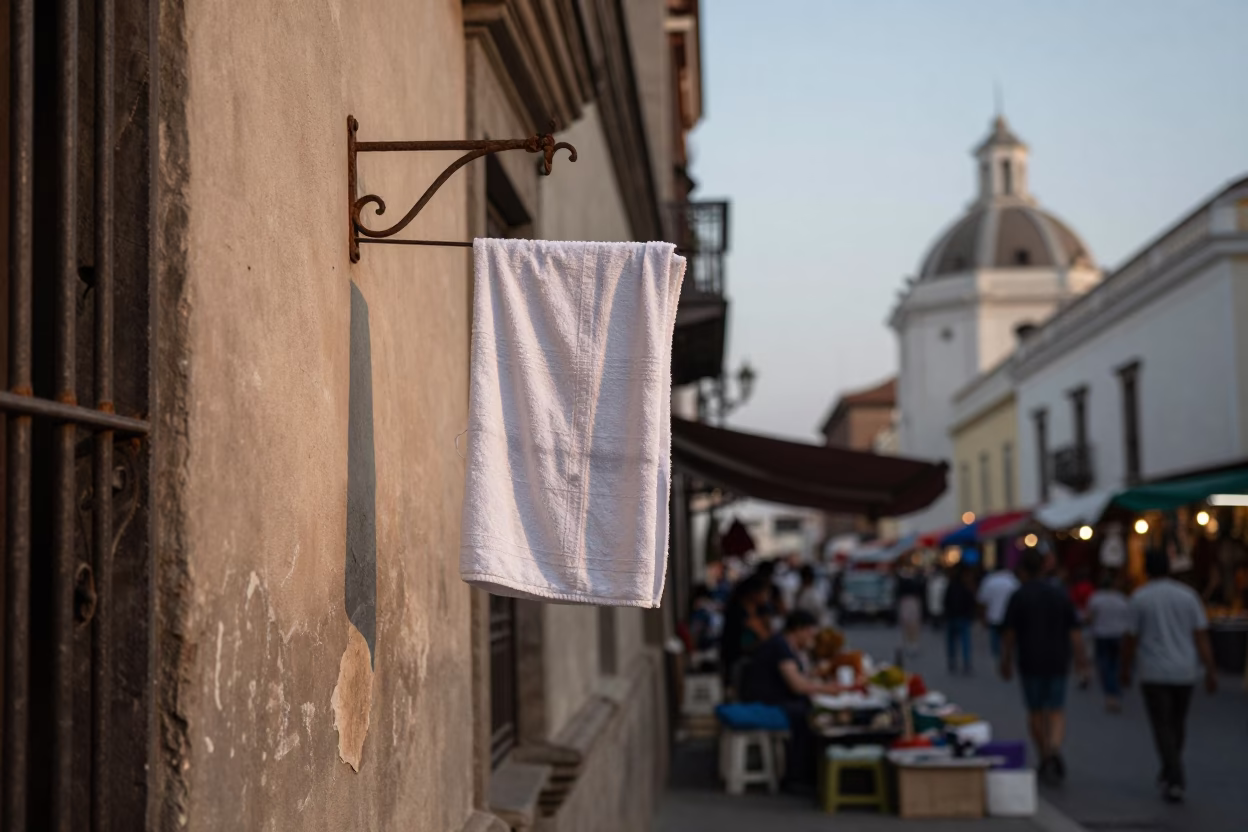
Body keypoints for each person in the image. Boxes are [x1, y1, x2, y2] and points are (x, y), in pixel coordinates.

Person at [1120, 548, 1218, 804]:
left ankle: (1174, 774)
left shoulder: (1140, 598)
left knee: (1163, 725)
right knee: (1177, 723)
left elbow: (1130, 638)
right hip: (1184, 670)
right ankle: (1171, 768)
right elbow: (1201, 635)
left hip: (1154, 671)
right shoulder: (1188, 596)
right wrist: (1210, 669)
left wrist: (1125, 668)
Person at [999, 549, 1089, 784]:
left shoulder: (1019, 595)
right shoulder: (1060, 594)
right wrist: (1082, 662)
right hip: (1059, 659)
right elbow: (1075, 632)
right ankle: (1054, 748)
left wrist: (1005, 659)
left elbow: (1009, 633)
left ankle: (1044, 754)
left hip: (1030, 659)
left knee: (1036, 710)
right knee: (1056, 709)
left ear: (1023, 571)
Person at [741, 610, 846, 785]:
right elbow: (797, 686)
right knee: (804, 716)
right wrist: (828, 689)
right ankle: (797, 777)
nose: (812, 637)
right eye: (810, 632)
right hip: (766, 701)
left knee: (807, 710)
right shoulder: (781, 646)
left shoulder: (785, 646)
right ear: (799, 630)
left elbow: (799, 676)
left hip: (771, 696)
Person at [1085, 572, 1131, 712]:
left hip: (1102, 634)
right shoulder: (1122, 599)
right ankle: (1114, 693)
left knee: (1104, 665)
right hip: (1118, 635)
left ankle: (1111, 694)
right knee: (1115, 664)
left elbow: (1090, 617)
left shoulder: (1096, 599)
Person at [719, 576, 773, 691]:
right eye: (764, 592)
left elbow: (768, 634)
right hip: (738, 660)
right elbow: (765, 636)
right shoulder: (737, 611)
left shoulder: (761, 610)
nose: (766, 596)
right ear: (753, 593)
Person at [979, 564, 1020, 658]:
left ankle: (997, 657)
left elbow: (982, 600)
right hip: (1008, 617)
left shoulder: (989, 580)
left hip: (994, 616)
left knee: (995, 641)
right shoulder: (1013, 581)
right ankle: (1004, 655)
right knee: (1007, 639)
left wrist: (983, 616)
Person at [943, 566, 977, 675]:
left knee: (953, 642)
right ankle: (965, 663)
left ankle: (953, 661)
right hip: (961, 617)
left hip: (954, 617)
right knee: (964, 642)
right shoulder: (965, 587)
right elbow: (971, 602)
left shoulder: (953, 586)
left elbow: (946, 601)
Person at [896, 567, 925, 654]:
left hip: (909, 603)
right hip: (909, 603)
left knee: (911, 625)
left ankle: (912, 643)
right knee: (910, 625)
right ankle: (911, 643)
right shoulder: (912, 581)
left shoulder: (912, 581)